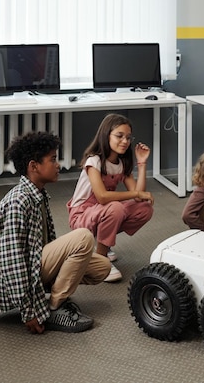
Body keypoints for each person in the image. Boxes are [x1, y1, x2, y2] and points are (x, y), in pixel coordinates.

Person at [0, 132, 111, 334]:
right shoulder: (18, 201)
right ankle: (52, 308)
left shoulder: (38, 194)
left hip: (34, 265)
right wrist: (29, 312)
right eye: (52, 159)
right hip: (17, 278)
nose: (58, 164)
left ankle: (51, 298)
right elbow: (12, 262)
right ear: (33, 166)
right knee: (83, 237)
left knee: (102, 267)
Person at [68, 113, 154, 282]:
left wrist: (142, 163)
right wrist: (136, 193)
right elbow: (102, 197)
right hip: (81, 216)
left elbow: (139, 197)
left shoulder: (121, 163)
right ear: (106, 135)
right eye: (119, 136)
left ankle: (103, 245)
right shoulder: (94, 161)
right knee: (115, 207)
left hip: (103, 211)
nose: (125, 141)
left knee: (145, 208)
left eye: (128, 138)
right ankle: (100, 260)